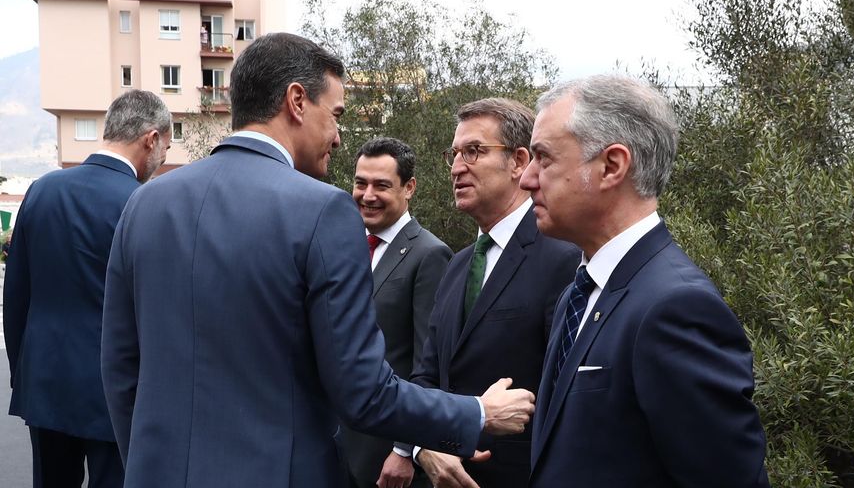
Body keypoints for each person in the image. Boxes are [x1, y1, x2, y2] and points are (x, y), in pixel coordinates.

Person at [100, 33, 534, 488]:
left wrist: (148, 464)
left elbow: (119, 367)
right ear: (297, 101)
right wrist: (477, 412)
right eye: (337, 115)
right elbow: (362, 392)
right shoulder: (321, 210)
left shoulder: (145, 204)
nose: (338, 136)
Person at [520, 75, 770, 487]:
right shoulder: (577, 294)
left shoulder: (676, 308)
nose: (527, 178)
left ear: (612, 166)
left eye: (544, 159)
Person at [405, 98, 579, 488]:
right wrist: (423, 447)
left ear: (519, 161)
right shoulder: (457, 266)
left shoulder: (564, 259)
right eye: (454, 154)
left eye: (474, 151)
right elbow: (426, 376)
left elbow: (568, 398)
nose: (456, 167)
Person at [3, 89, 171, 488]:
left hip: (44, 381)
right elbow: (155, 311)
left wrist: (23, 372)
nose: (163, 158)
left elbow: (16, 295)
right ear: (150, 139)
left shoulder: (43, 189)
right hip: (115, 394)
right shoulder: (142, 204)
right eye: (165, 146)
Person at [341, 137, 450, 488]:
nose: (367, 195)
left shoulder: (430, 255)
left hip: (386, 454)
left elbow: (426, 362)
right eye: (361, 183)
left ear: (409, 188)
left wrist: (405, 450)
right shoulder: (345, 245)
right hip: (339, 444)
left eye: (381, 185)